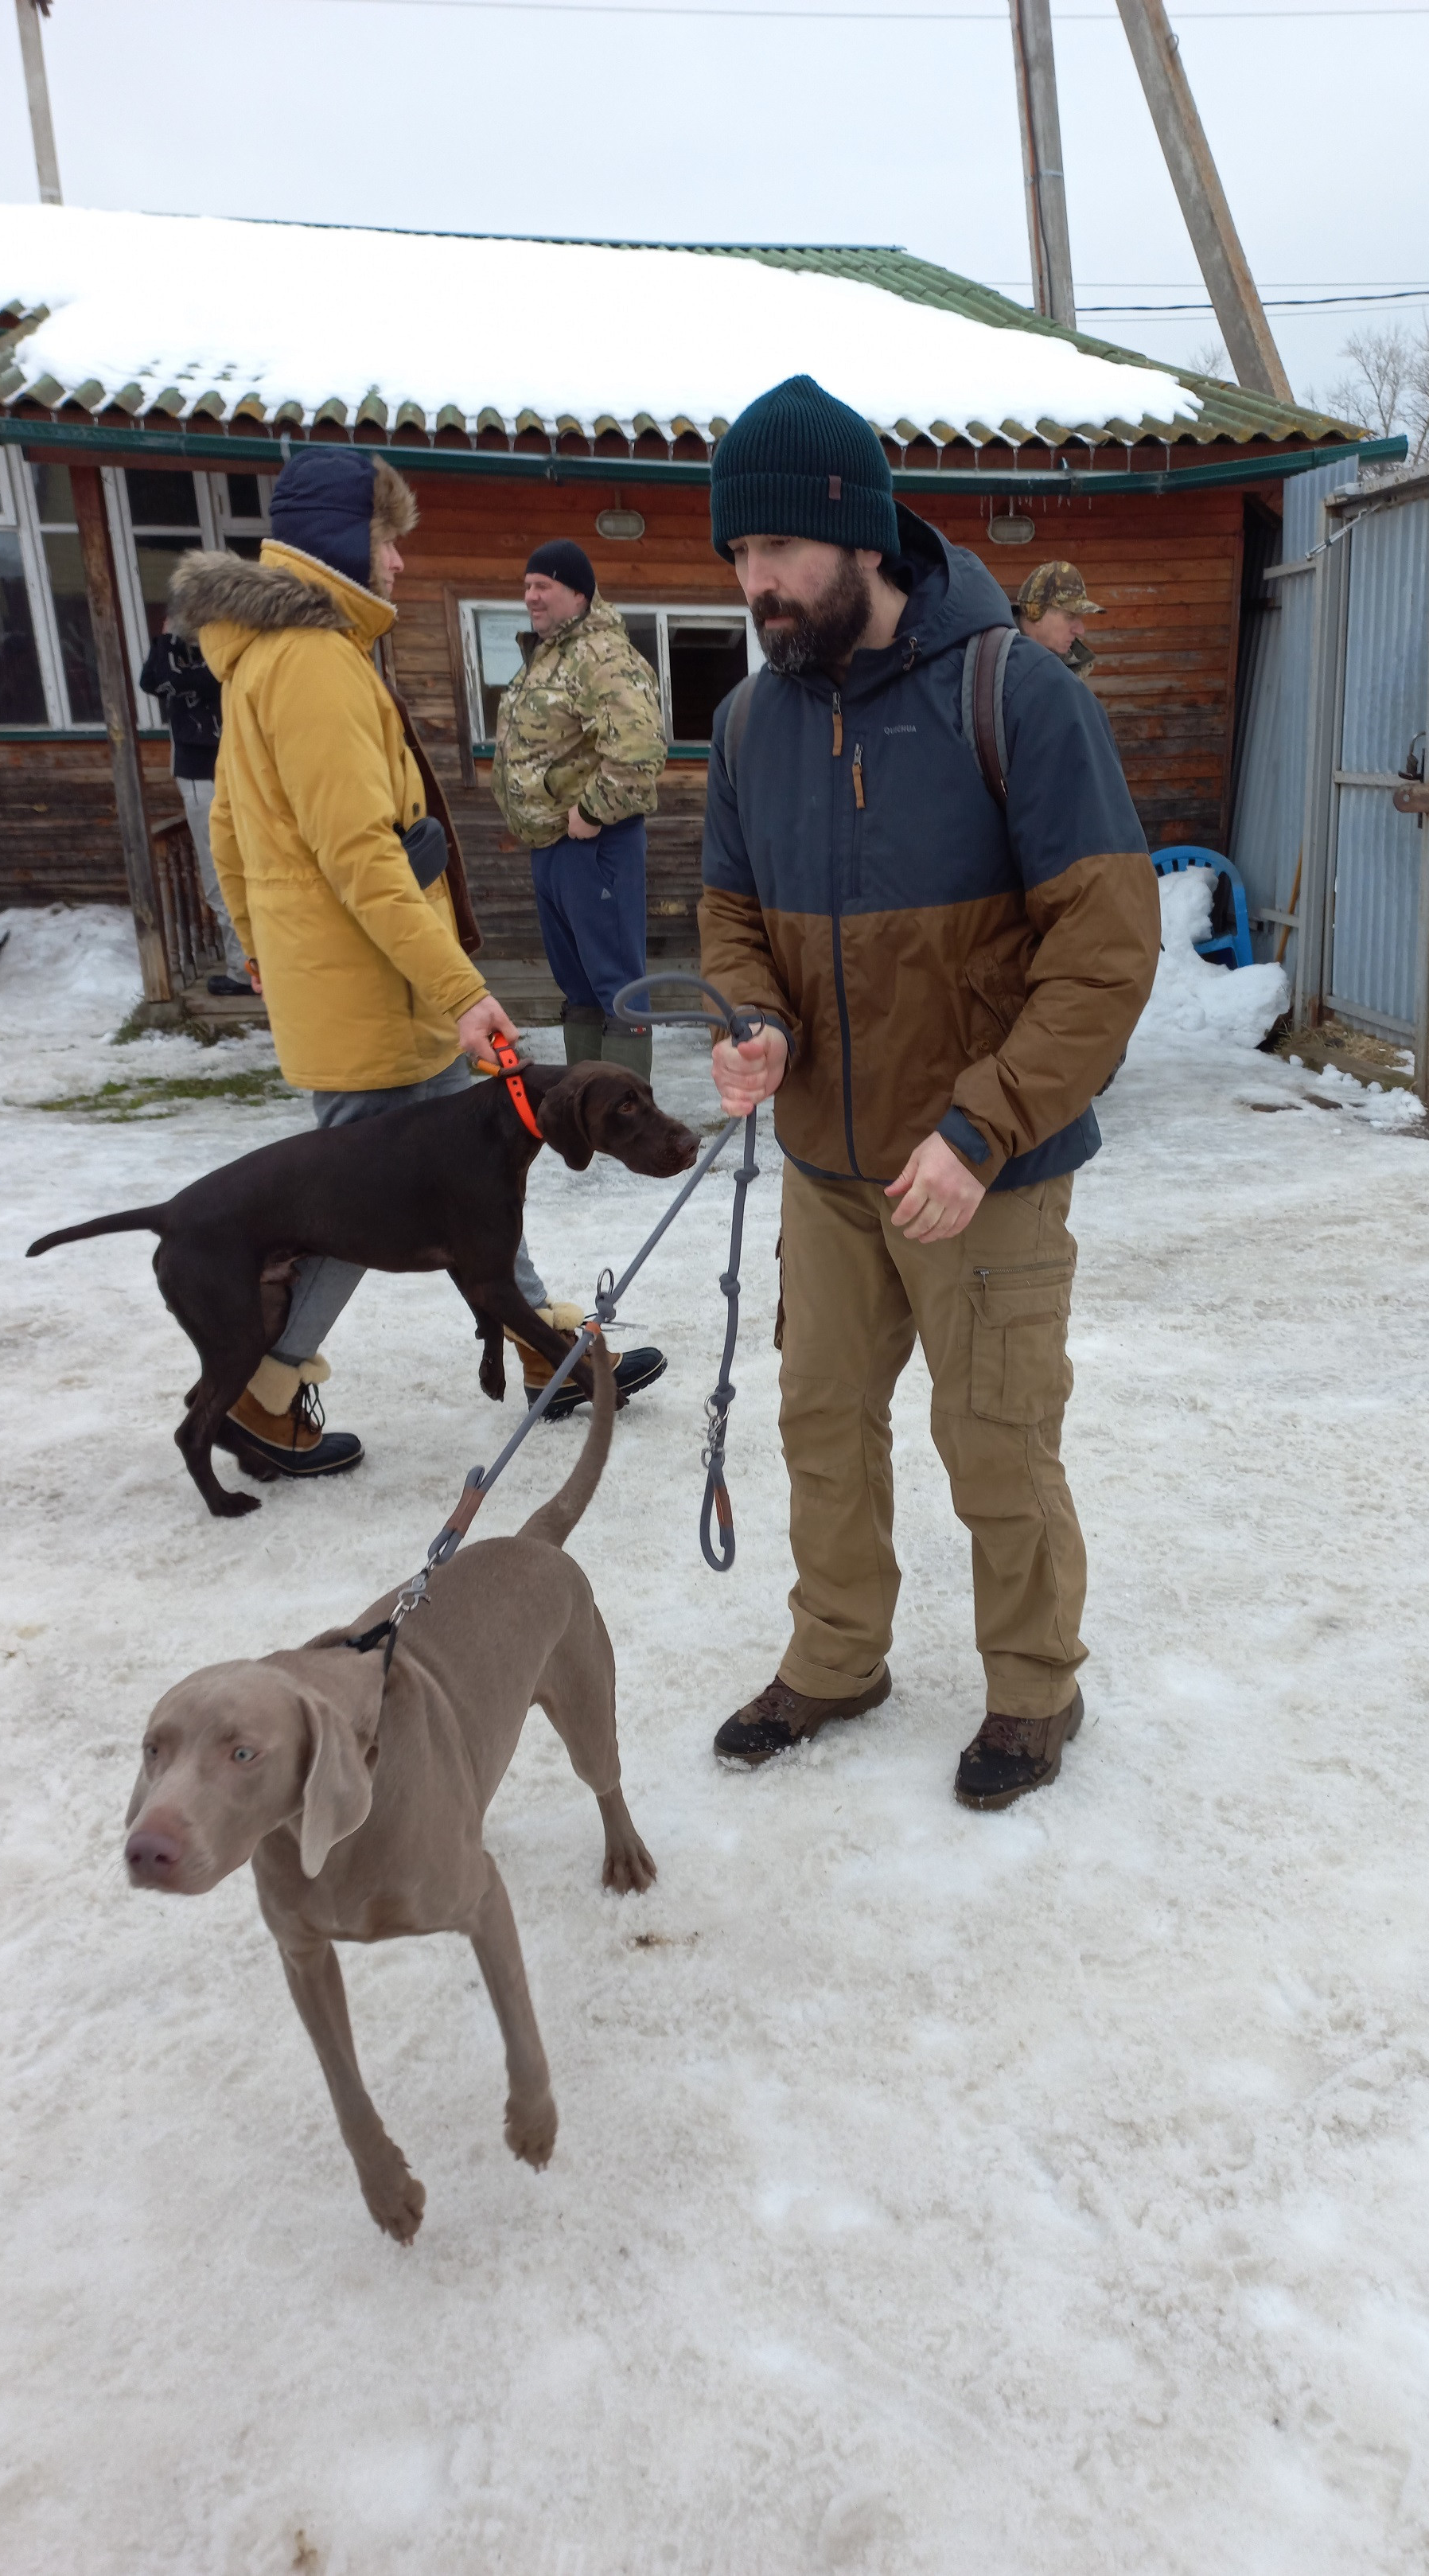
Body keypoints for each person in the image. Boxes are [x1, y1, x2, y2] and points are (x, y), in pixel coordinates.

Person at [696, 375, 1160, 1810]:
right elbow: (728, 916)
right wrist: (754, 1020)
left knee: (996, 1438)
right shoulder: (749, 722)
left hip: (984, 1169)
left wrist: (980, 1124)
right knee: (821, 1426)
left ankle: (1032, 1690)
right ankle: (838, 1656)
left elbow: (1103, 951)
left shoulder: (1013, 690)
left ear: (855, 539)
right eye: (735, 562)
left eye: (773, 554)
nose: (753, 586)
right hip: (828, 1167)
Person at [169, 451, 662, 1486]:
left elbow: (229, 829)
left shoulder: (274, 654)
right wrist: (462, 991)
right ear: (345, 544)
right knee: (349, 1215)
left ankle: (547, 1353)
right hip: (375, 999)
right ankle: (263, 1392)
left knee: (474, 1182)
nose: (399, 561)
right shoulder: (310, 661)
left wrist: (260, 942)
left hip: (358, 987)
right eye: (388, 539)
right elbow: (360, 855)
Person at [490, 540, 666, 1078]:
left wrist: (591, 813)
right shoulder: (548, 656)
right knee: (579, 987)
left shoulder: (601, 654)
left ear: (579, 593)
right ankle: (590, 1103)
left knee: (616, 986)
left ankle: (626, 1108)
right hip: (551, 846)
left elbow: (639, 747)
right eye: (526, 586)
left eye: (543, 585)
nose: (531, 596)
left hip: (595, 843)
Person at [138, 623, 252, 996]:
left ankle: (243, 970)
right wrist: (166, 640)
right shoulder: (197, 658)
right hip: (210, 776)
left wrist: (171, 637)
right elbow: (150, 680)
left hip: (212, 777)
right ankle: (249, 964)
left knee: (222, 873)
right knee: (225, 873)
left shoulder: (221, 659)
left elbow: (168, 679)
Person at [1013, 559, 1104, 676]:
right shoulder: (992, 660)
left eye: (1080, 617)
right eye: (1070, 616)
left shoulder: (1072, 664)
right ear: (1035, 612)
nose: (1080, 630)